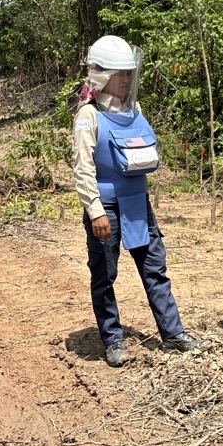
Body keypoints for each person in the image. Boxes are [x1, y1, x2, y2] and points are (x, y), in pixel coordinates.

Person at [72, 35, 210, 367]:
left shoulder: (135, 110)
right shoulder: (88, 117)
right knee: (105, 274)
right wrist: (95, 212)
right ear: (102, 76)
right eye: (121, 74)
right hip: (106, 209)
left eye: (130, 74)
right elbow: (83, 169)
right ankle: (113, 340)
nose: (127, 81)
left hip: (138, 205)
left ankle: (173, 333)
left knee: (154, 269)